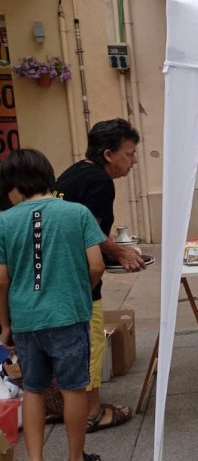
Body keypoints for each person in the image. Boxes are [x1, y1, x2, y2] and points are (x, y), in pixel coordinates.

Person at [0, 149, 105, 461]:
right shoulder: (77, 213)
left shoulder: (4, 221)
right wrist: (80, 291)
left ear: (14, 185)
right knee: (74, 389)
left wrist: (5, 324)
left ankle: (35, 459)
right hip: (68, 315)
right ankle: (75, 457)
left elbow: (2, 279)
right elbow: (97, 265)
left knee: (34, 389)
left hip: (25, 318)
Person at [55, 118, 142, 433]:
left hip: (54, 272)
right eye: (129, 154)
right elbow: (88, 230)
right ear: (108, 154)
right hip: (76, 277)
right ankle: (92, 414)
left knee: (68, 345)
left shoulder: (76, 171)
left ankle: (70, 405)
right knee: (92, 343)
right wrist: (120, 252)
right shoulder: (100, 182)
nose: (133, 162)